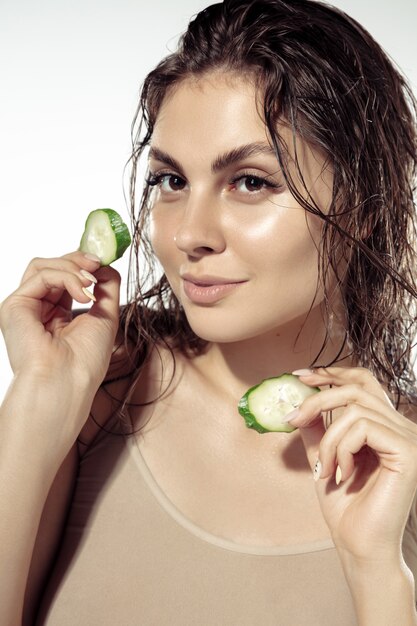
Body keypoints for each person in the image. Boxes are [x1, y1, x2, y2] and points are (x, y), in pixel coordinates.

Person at [1, 0, 417, 624]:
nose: (188, 234)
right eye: (171, 181)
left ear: (363, 206)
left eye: (251, 181)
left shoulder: (398, 462)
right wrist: (37, 404)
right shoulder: (100, 393)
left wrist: (375, 571)